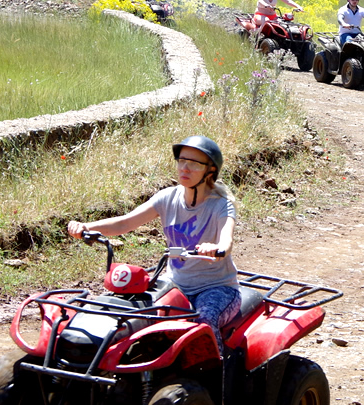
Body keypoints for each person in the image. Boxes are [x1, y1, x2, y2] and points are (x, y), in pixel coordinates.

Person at [66, 135, 239, 351]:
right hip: (174, 285)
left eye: (194, 164)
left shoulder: (221, 205)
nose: (184, 168)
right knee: (135, 318)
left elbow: (226, 240)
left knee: (203, 322)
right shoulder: (167, 198)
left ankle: (214, 380)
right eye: (181, 161)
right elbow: (123, 224)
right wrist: (86, 227)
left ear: (210, 171)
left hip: (216, 288)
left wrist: (216, 248)